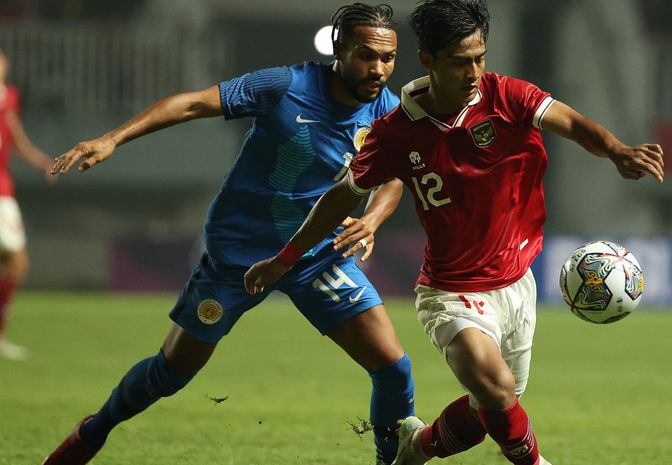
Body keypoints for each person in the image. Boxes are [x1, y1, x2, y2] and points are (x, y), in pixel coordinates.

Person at [243, 1, 665, 465]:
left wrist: (616, 150)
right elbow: (341, 197)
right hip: (450, 290)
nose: (474, 73)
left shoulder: (508, 96)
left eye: (480, 58)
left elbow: (572, 124)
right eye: (460, 62)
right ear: (428, 60)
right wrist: (285, 258)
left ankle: (415, 448)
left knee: (492, 409)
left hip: (516, 283)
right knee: (498, 390)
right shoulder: (395, 132)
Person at [43, 4, 415, 465]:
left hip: (315, 255)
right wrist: (113, 139)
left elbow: (395, 175)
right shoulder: (285, 85)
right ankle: (92, 434)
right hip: (239, 253)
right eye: (365, 55)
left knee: (394, 369)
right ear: (339, 48)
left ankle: (389, 462)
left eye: (388, 58)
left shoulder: (390, 112)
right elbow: (192, 103)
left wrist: (373, 218)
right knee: (170, 374)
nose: (377, 69)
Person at [0, 48, 54, 361]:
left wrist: (38, 161)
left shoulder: (9, 97)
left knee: (16, 264)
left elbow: (15, 136)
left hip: (2, 192)